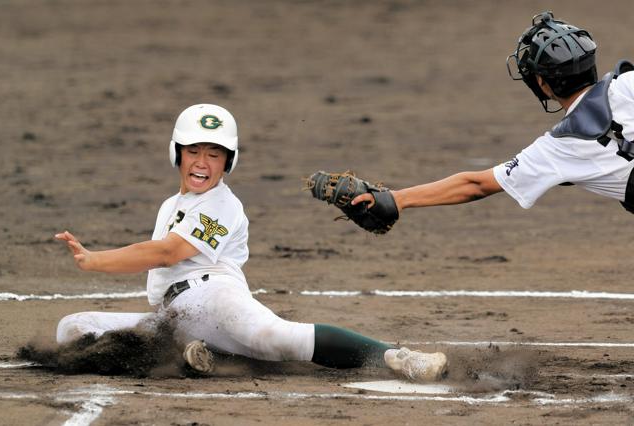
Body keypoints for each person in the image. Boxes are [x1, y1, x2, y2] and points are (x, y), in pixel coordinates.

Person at [54, 103, 448, 381]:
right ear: (177, 153)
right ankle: (203, 355)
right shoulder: (171, 205)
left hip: (214, 298)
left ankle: (401, 358)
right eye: (193, 151)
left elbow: (168, 253)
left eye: (214, 154)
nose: (202, 163)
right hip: (174, 319)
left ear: (229, 162)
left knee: (276, 338)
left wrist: (95, 260)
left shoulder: (223, 204)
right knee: (73, 328)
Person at [352, 12, 634, 216]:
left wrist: (397, 199)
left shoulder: (556, 148)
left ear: (543, 84)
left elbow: (475, 184)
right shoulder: (629, 83)